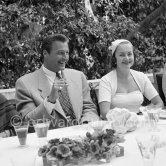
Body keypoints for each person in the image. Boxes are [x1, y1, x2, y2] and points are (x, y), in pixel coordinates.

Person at [15, 34, 99, 129]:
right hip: (51, 141)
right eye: (60, 53)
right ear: (45, 53)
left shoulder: (78, 76)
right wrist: (50, 100)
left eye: (67, 53)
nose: (65, 57)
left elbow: (89, 108)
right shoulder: (24, 83)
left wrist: (85, 125)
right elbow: (27, 123)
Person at [98, 39, 163, 119]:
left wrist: (147, 111)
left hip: (139, 124)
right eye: (121, 55)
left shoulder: (141, 77)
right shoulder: (106, 81)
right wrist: (129, 119)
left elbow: (159, 103)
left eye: (129, 54)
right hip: (115, 127)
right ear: (114, 58)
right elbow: (104, 113)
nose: (127, 58)